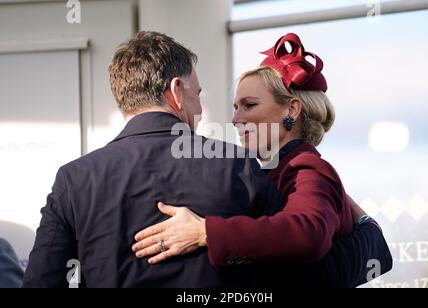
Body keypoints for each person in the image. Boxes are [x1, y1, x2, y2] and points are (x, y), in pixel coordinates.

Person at [23, 31, 284, 288]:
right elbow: (287, 258)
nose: (201, 110)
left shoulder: (74, 179)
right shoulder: (236, 164)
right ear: (176, 90)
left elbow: (41, 280)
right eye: (198, 95)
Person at [132, 33, 393, 287]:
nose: (235, 119)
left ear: (291, 110)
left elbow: (309, 233)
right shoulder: (278, 169)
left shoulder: (306, 168)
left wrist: (205, 233)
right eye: (235, 108)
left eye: (249, 105)